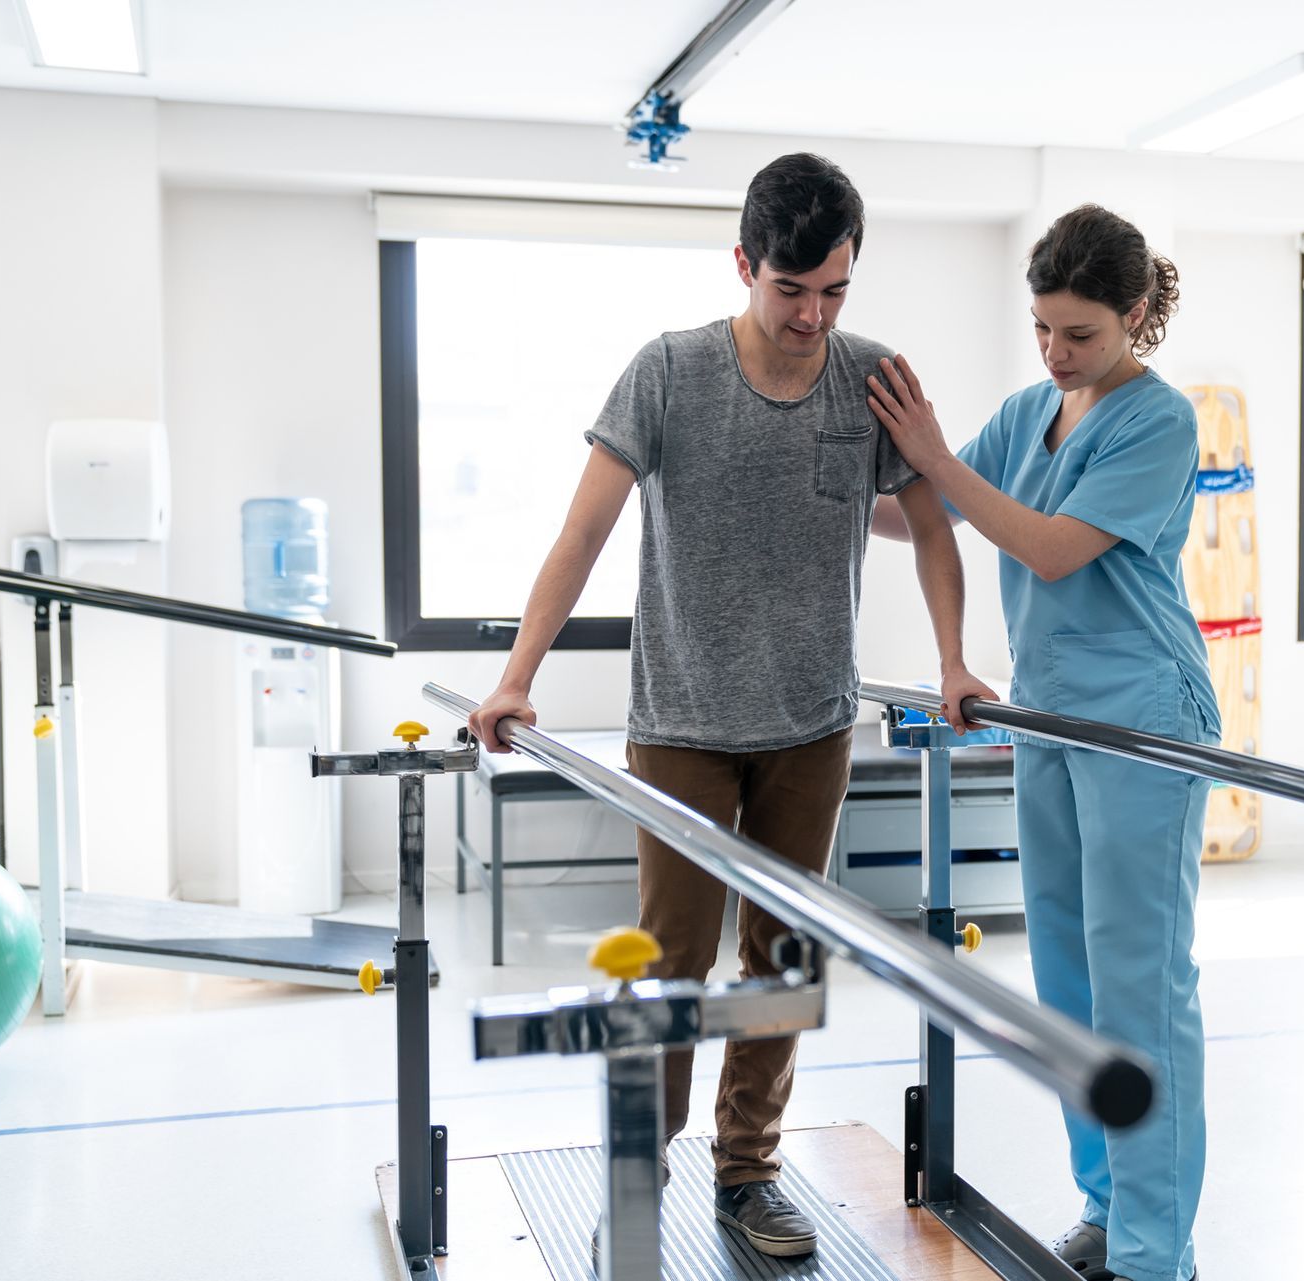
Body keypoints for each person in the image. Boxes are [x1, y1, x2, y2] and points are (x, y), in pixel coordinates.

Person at [467, 153, 995, 1259]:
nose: (812, 315)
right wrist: (520, 672)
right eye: (790, 290)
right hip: (683, 726)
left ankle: (749, 1170)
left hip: (812, 725)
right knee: (673, 960)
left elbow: (932, 526)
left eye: (835, 291)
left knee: (784, 960)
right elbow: (584, 531)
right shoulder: (667, 373)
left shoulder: (869, 378)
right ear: (745, 264)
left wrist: (953, 661)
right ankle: (643, 1148)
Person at [866, 204, 1217, 1281]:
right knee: (1065, 983)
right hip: (1050, 718)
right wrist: (824, 469)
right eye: (1044, 331)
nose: (1059, 355)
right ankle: (1106, 1213)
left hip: (1143, 722)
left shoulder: (1159, 422)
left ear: (1138, 316)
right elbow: (917, 508)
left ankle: (1158, 1256)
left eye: (1082, 336)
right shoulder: (1030, 412)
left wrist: (935, 462)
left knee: (1139, 991)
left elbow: (1054, 551)